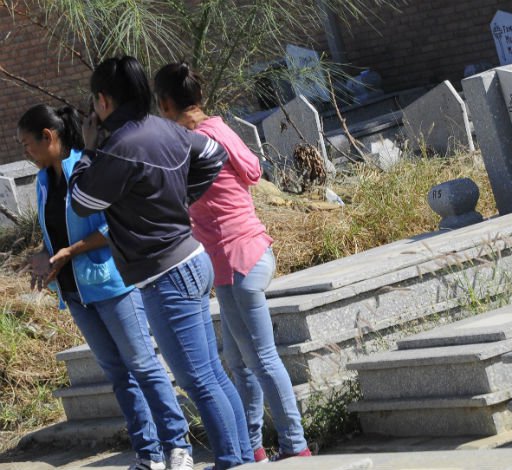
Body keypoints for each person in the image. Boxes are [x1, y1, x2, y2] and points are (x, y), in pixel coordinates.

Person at [68, 56, 253, 469]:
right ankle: (241, 458)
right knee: (213, 375)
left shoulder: (119, 148)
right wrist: (180, 197)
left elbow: (82, 202)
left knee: (199, 381)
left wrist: (88, 150)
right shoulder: (164, 128)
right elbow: (212, 154)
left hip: (167, 275)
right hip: (190, 259)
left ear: (103, 100)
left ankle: (231, 461)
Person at [18, 104, 192, 470]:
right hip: (75, 292)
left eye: (27, 144)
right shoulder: (42, 181)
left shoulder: (89, 168)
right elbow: (58, 234)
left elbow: (115, 226)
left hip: (112, 285)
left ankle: (178, 445)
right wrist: (43, 256)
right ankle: (148, 454)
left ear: (48, 137)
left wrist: (70, 252)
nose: (26, 153)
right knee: (117, 374)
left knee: (143, 365)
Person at [154, 62, 311, 462]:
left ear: (166, 103)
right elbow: (255, 171)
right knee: (239, 363)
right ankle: (253, 447)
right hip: (244, 255)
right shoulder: (220, 129)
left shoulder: (195, 143)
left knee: (260, 359)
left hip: (235, 258)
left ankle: (295, 446)